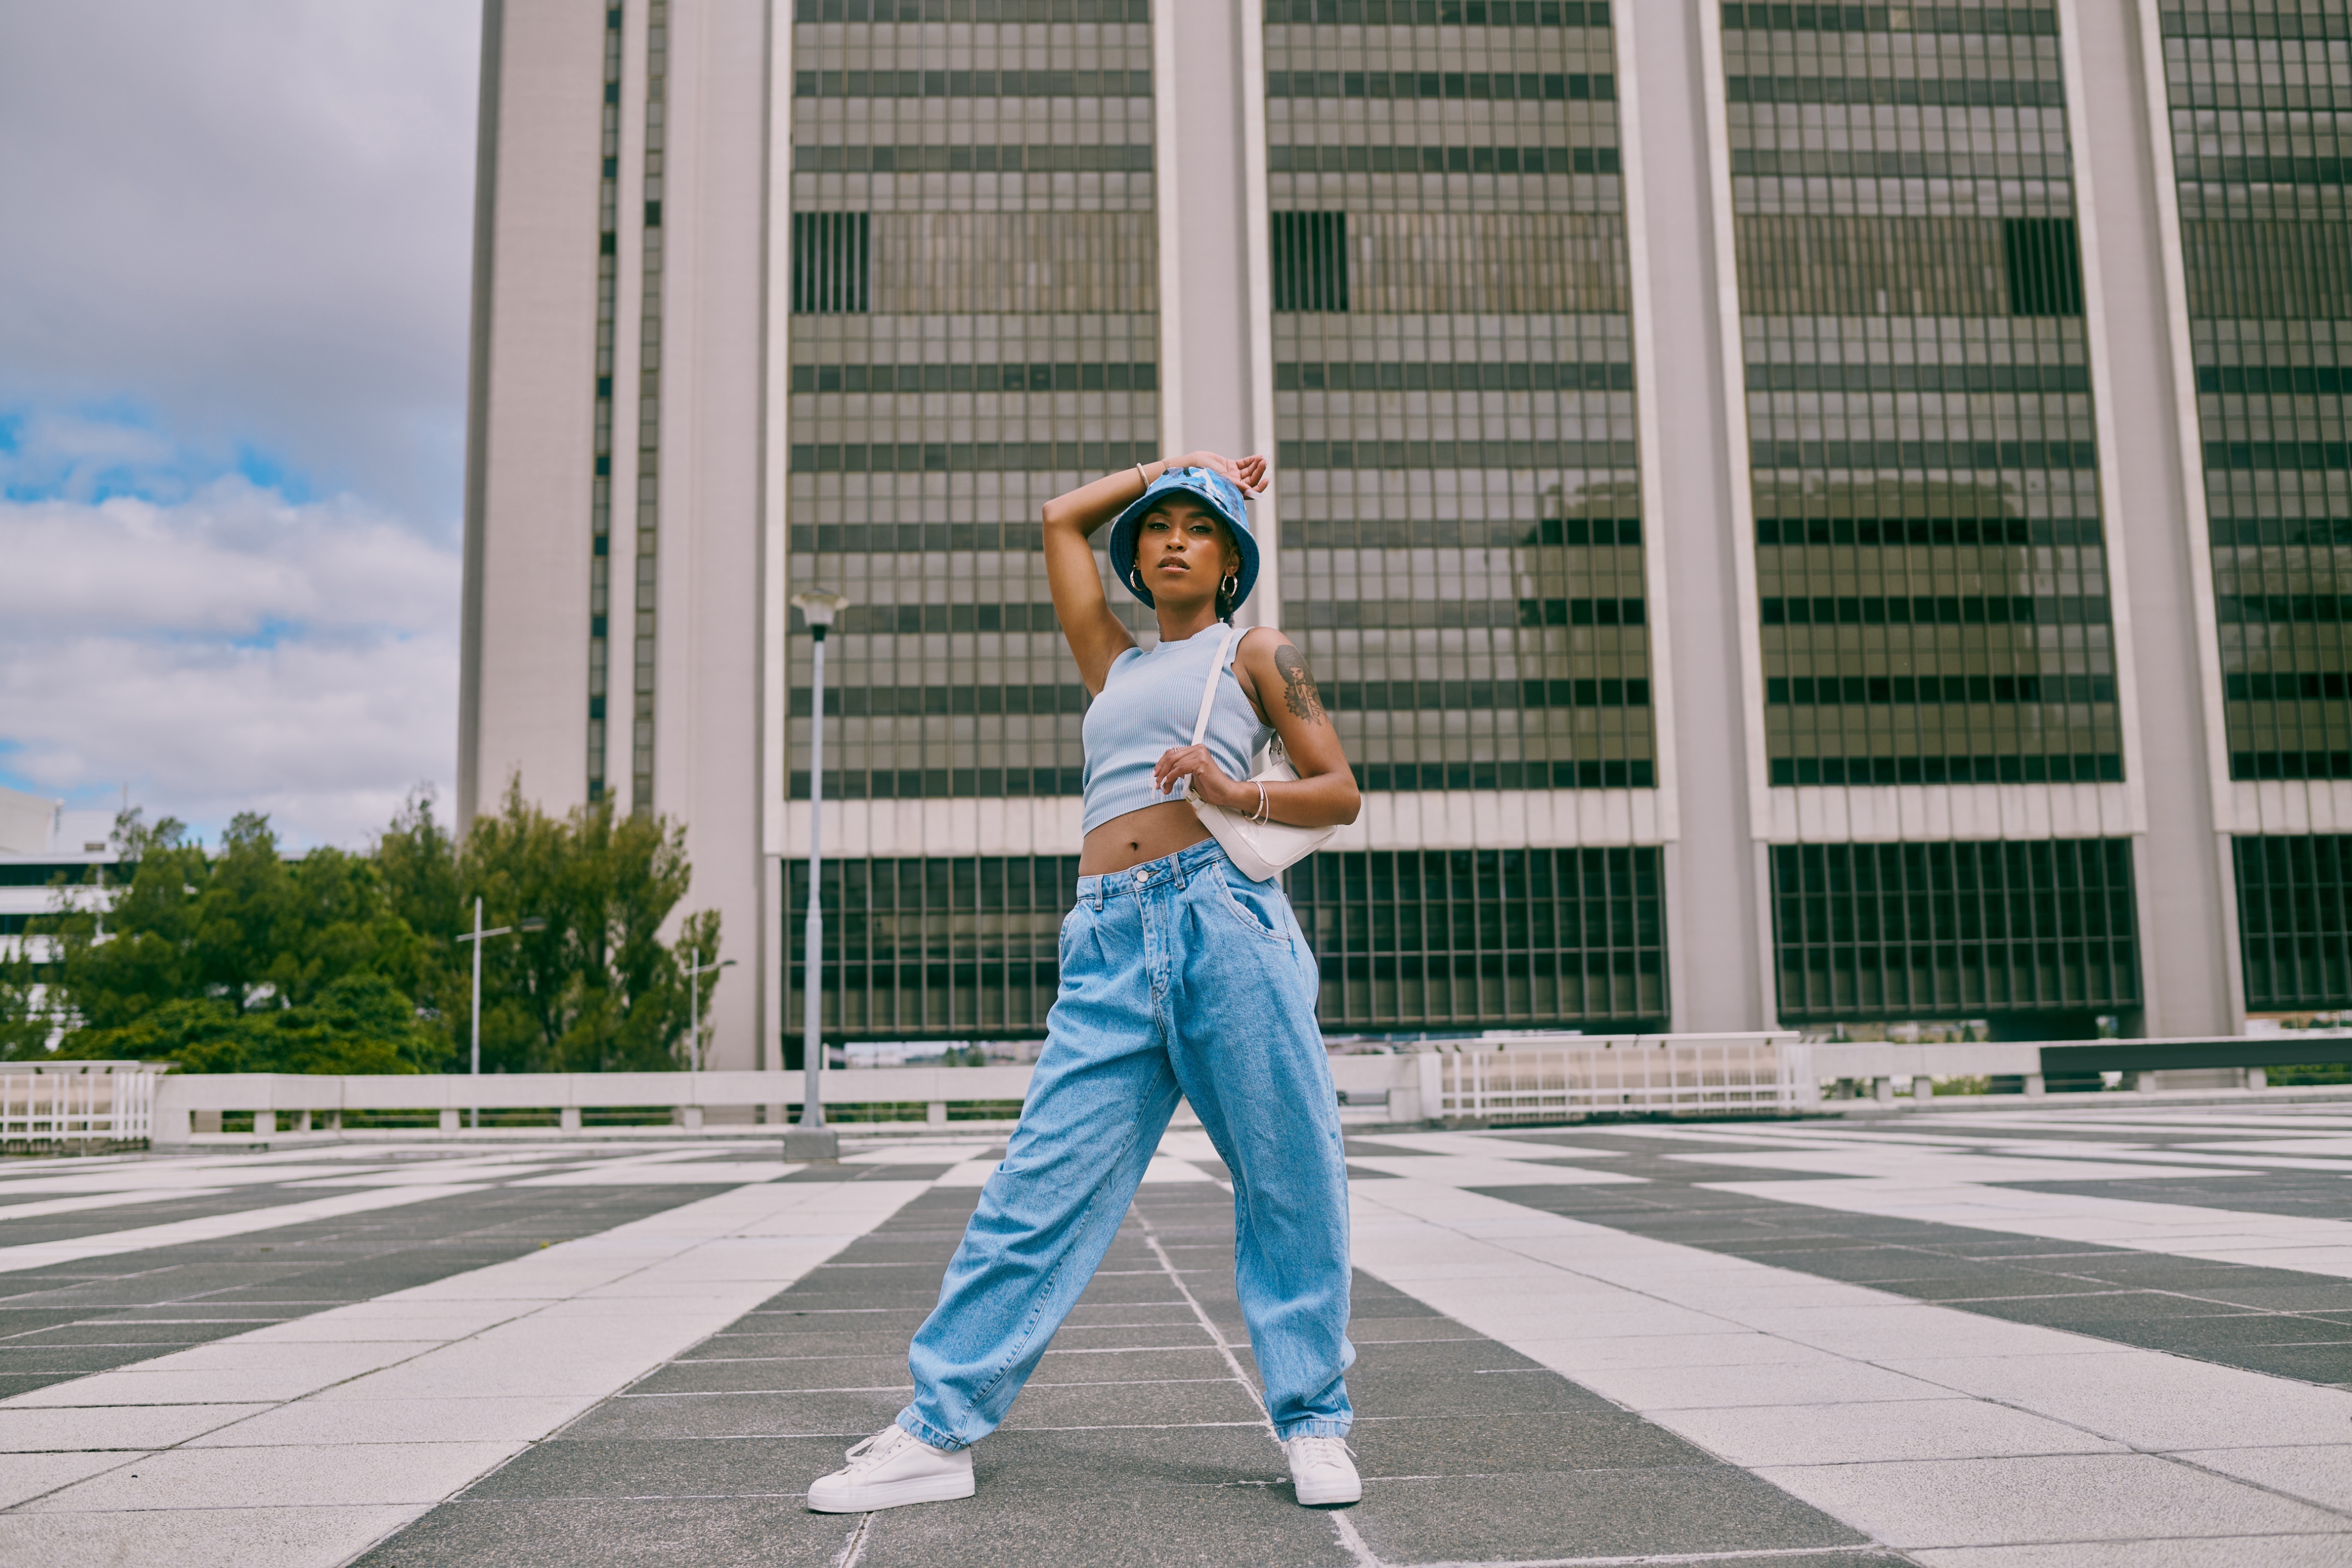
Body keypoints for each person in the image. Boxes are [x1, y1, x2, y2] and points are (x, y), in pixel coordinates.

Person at [807, 451, 1365, 1513]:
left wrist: (1233, 786)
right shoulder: (1111, 663)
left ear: (1231, 557)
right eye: (1157, 527)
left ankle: (1313, 1423)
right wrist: (1177, 462)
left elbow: (1337, 793)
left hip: (1222, 922)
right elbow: (1062, 518)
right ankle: (936, 1432)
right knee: (1036, 1186)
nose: (1170, 539)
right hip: (1107, 938)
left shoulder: (1255, 652)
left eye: (1198, 526)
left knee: (1290, 1175)